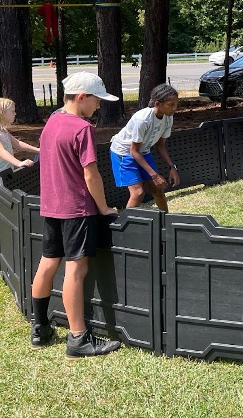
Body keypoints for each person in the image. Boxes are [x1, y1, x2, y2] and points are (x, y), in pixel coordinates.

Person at [29, 72, 122, 358]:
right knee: (76, 270)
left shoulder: (51, 123)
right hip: (76, 209)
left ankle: (40, 327)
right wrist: (104, 208)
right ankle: (78, 338)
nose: (98, 106)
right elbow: (91, 174)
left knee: (47, 264)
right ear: (82, 97)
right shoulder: (82, 128)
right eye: (96, 100)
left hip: (52, 206)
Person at [109, 84, 180, 212]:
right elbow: (133, 151)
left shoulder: (168, 118)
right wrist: (154, 175)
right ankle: (126, 227)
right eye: (171, 104)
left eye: (176, 104)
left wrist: (172, 167)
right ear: (157, 104)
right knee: (138, 193)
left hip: (142, 151)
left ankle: (166, 220)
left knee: (157, 189)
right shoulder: (143, 119)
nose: (175, 108)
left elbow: (160, 145)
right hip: (124, 153)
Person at [0, 98, 39, 180]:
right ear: (2, 113)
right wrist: (19, 163)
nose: (15, 113)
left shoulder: (3, 130)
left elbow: (17, 143)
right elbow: (1, 151)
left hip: (6, 173)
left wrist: (38, 150)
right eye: (12, 111)